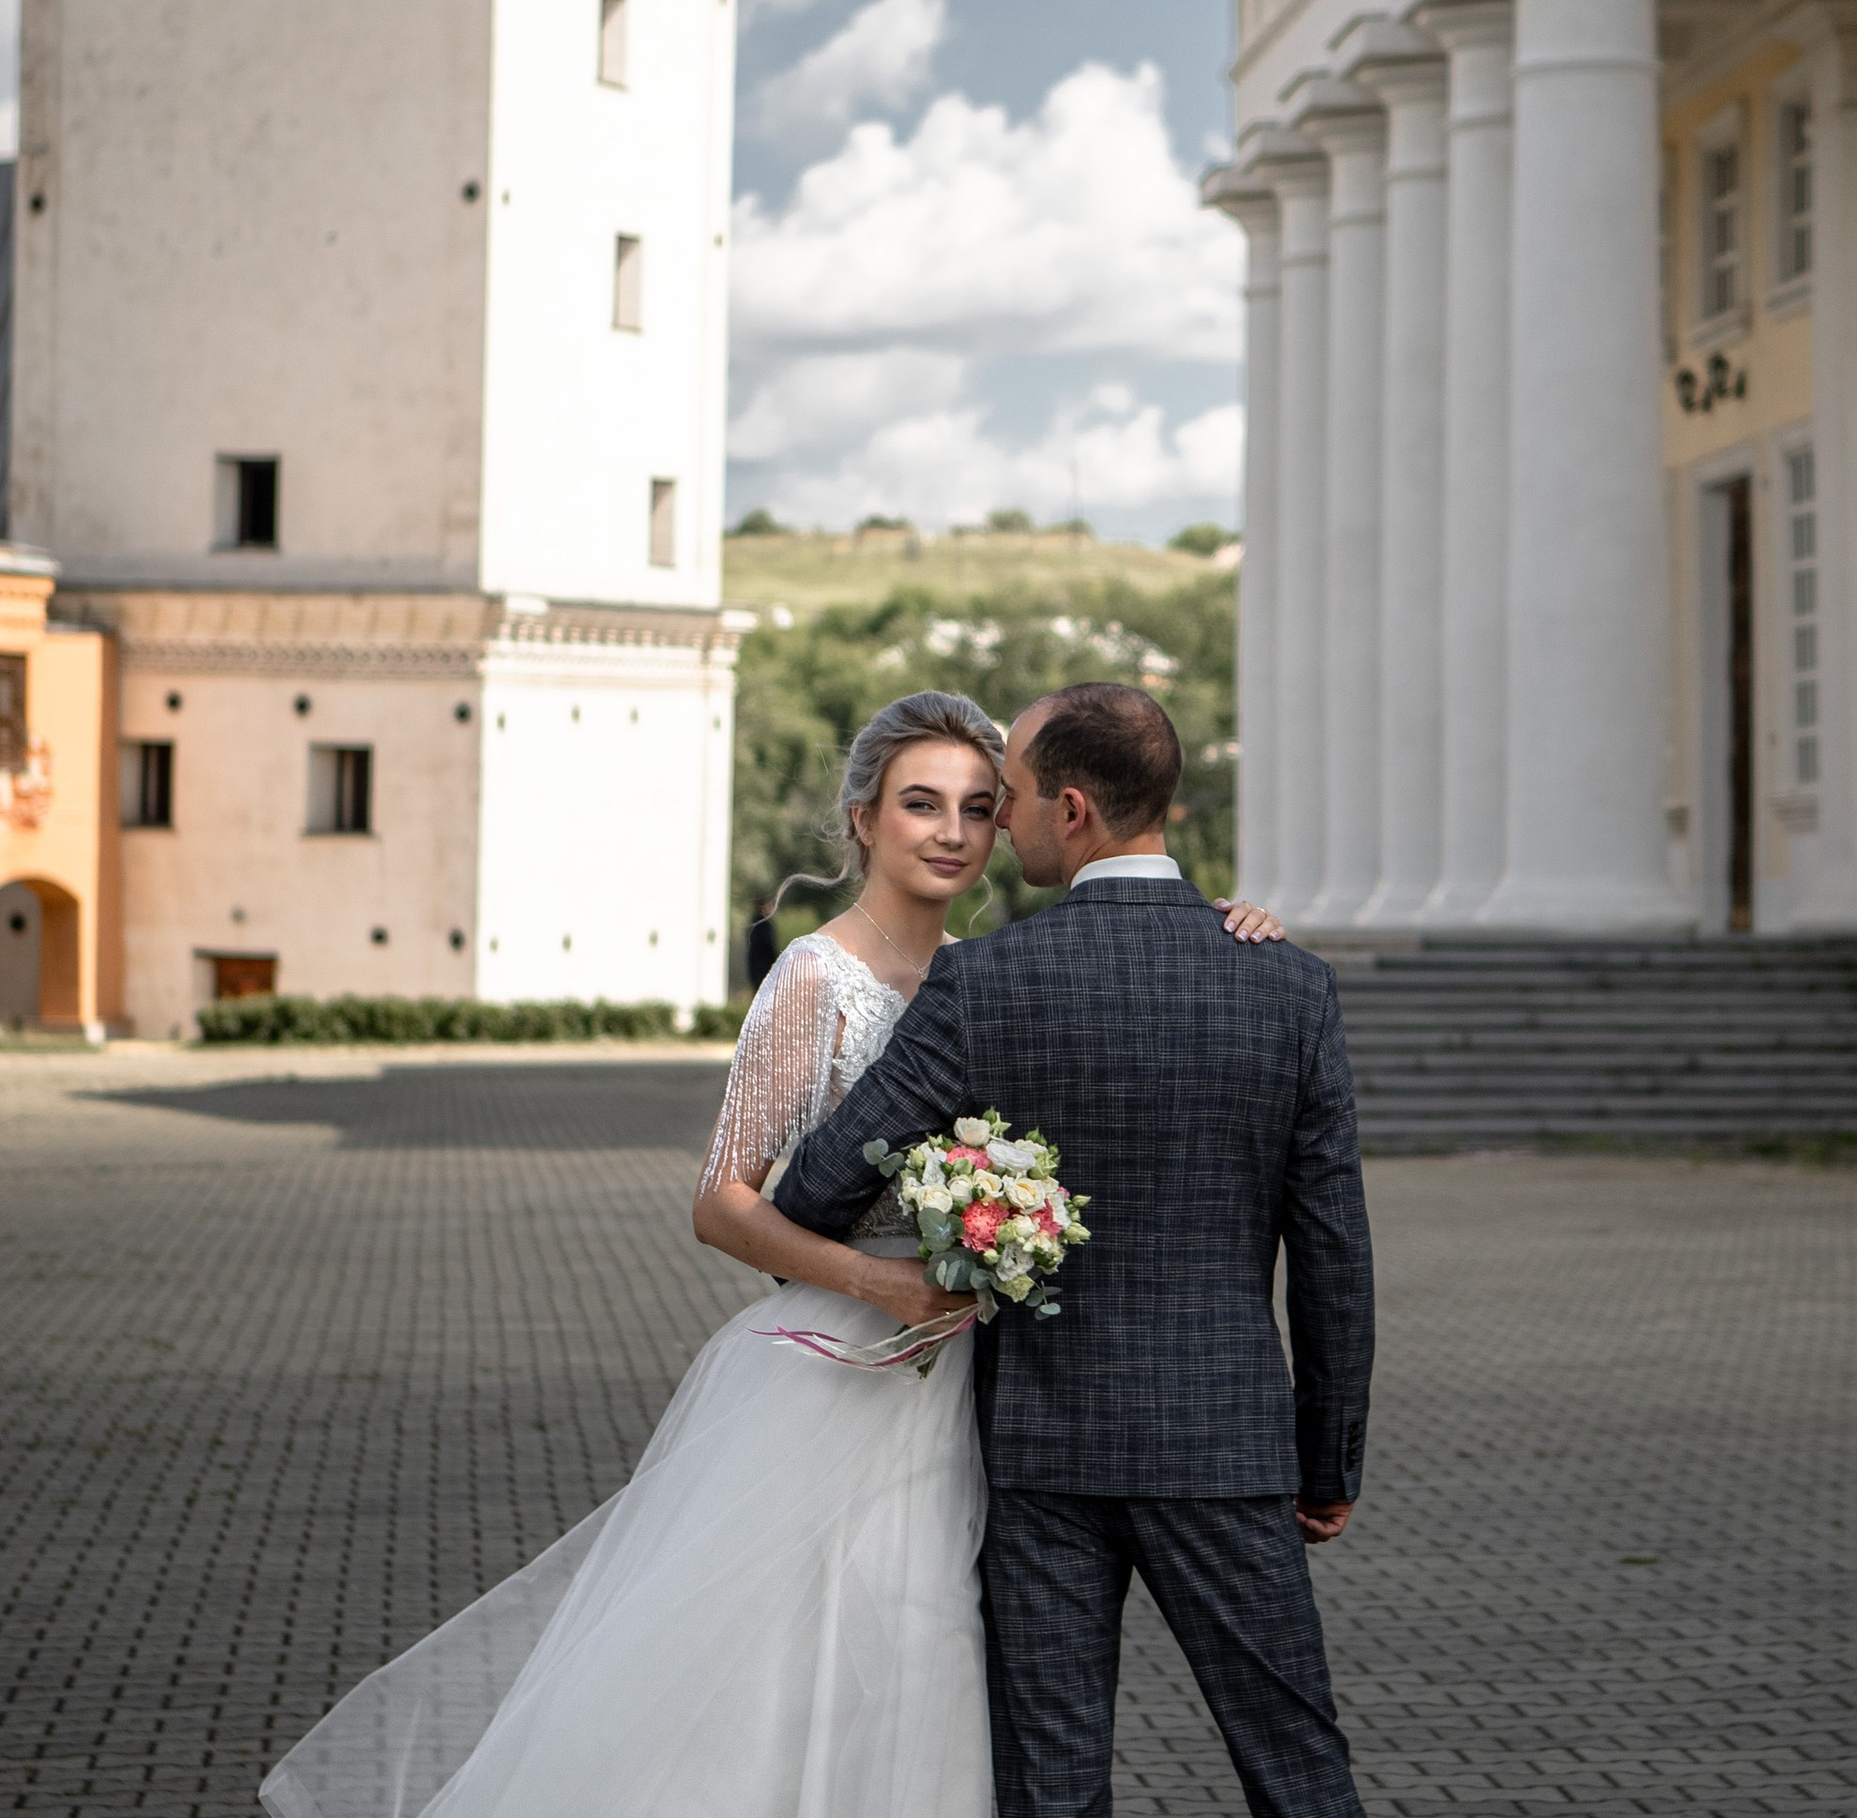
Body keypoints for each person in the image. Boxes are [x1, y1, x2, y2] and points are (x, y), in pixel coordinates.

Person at [258, 688, 1292, 1818]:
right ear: (862, 818)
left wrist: (1225, 930)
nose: (951, 829)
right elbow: (722, 1203)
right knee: (790, 1670)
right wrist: (878, 1280)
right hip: (836, 1371)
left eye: (979, 806)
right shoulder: (813, 977)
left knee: (932, 1655)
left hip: (978, 1393)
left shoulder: (999, 974)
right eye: (919, 803)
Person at [778, 680, 1374, 1818]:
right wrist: (1328, 1457)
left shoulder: (985, 982)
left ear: (1073, 809)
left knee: (1051, 1791)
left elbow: (817, 1185)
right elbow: (1335, 1250)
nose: (994, 823)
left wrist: (942, 1218)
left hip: (1042, 1450)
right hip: (1231, 1448)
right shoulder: (1288, 986)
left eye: (1005, 800)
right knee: (1299, 1775)